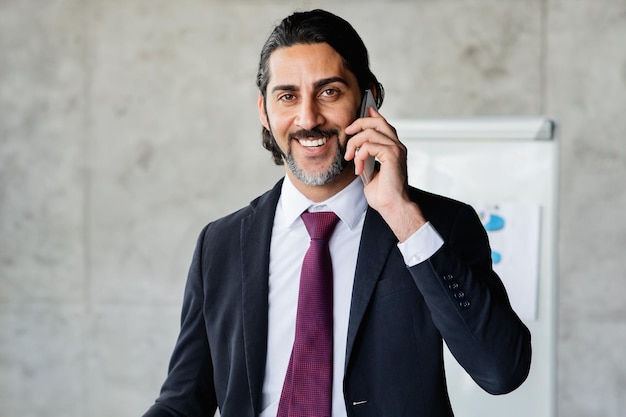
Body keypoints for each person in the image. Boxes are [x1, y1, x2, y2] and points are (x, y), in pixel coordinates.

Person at [142, 9, 531, 417]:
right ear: (264, 110)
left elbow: (501, 372)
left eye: (329, 92)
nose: (308, 119)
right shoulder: (219, 245)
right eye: (287, 96)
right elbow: (183, 401)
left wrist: (401, 215)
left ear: (369, 99)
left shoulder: (440, 226)